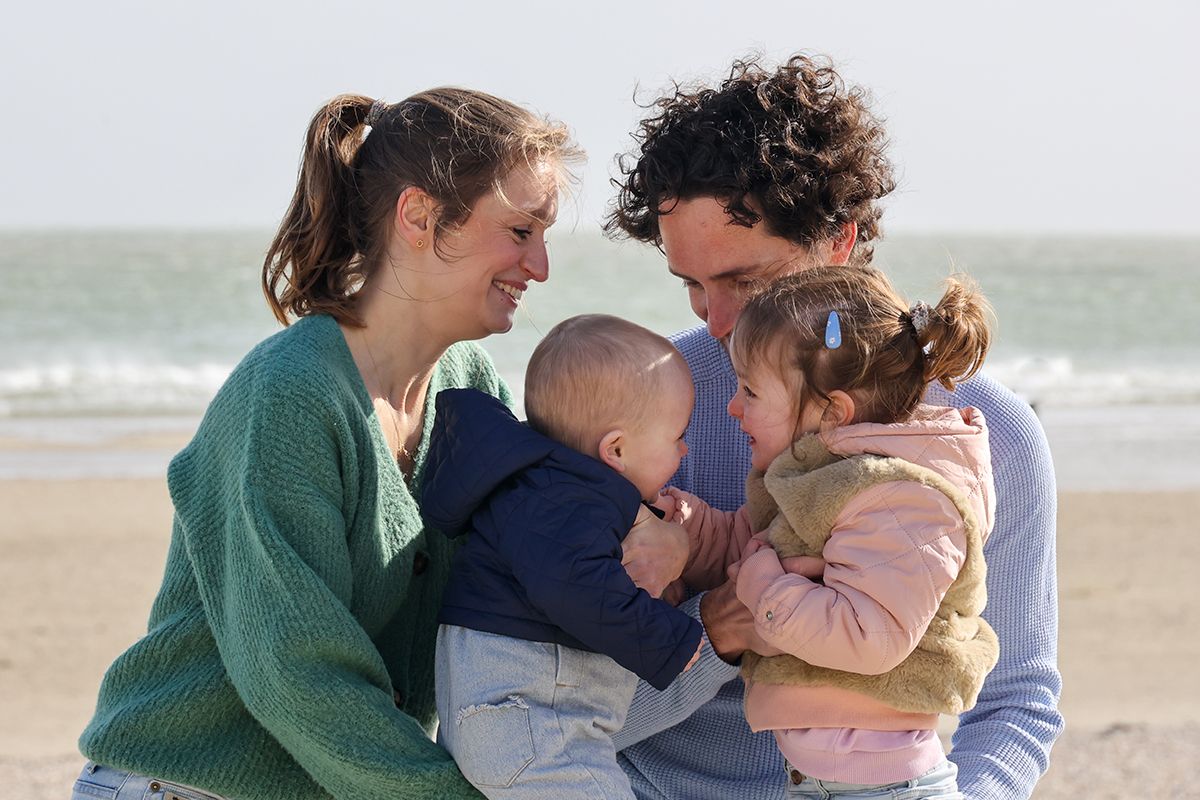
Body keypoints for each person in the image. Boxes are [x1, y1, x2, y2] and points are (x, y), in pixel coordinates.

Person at [71, 88, 583, 800]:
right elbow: (296, 672)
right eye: (521, 231)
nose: (541, 267)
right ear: (419, 216)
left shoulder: (472, 391)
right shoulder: (288, 394)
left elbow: (534, 569)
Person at [606, 54, 1064, 800]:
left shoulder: (990, 437)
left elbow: (1016, 702)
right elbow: (565, 715)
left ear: (840, 242)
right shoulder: (648, 406)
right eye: (691, 284)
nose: (718, 323)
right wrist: (713, 633)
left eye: (744, 282)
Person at [665, 268, 998, 799]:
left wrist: (763, 589)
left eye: (750, 390)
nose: (732, 407)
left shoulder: (902, 499)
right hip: (828, 783)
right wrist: (682, 527)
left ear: (831, 411)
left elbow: (871, 637)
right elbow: (750, 546)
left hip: (887, 787)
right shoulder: (820, 477)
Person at [421, 314, 704, 800]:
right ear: (615, 449)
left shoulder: (553, 494)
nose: (685, 447)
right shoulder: (568, 505)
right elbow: (576, 588)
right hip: (530, 723)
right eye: (677, 434)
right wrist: (667, 639)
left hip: (515, 720)